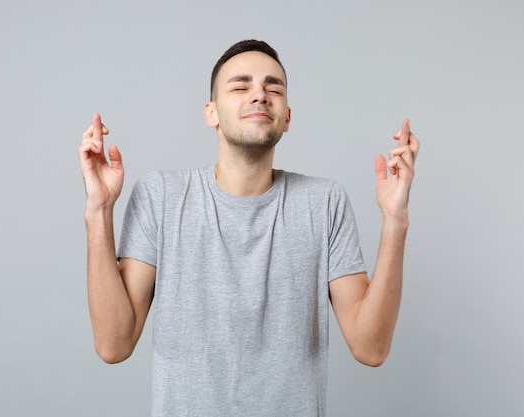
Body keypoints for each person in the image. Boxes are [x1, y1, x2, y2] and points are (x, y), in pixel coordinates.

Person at [79, 39, 419, 417]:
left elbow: (370, 348)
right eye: (241, 87)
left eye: (273, 87)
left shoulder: (323, 202)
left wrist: (395, 219)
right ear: (211, 113)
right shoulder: (161, 196)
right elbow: (114, 344)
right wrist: (99, 208)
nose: (259, 95)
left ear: (287, 117)